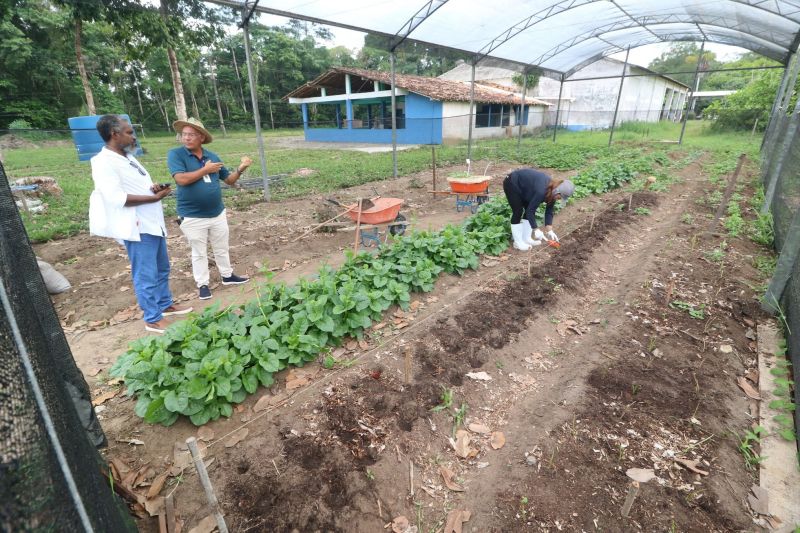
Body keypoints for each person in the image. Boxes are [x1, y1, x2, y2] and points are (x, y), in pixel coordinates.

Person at [89, 114, 192, 333]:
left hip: (152, 222)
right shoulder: (103, 162)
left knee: (162, 268)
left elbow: (135, 185)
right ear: (114, 134)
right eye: (128, 132)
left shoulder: (127, 156)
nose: (133, 136)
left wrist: (152, 188)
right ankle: (153, 318)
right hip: (136, 226)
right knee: (145, 274)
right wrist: (154, 198)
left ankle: (165, 304)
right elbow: (116, 197)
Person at [167, 117, 253, 300]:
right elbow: (180, 179)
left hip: (217, 213)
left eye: (191, 135)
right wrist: (205, 170)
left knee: (221, 247)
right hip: (192, 215)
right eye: (184, 135)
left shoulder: (212, 157)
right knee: (199, 252)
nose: (186, 138)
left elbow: (228, 180)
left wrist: (240, 169)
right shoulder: (176, 155)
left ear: (201, 138)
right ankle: (203, 284)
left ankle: (228, 276)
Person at [503, 168, 574, 251]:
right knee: (518, 211)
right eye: (560, 197)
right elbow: (531, 211)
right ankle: (518, 243)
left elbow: (549, 211)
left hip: (526, 188)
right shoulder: (542, 191)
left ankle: (526, 238)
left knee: (529, 207)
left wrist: (549, 230)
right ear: (557, 191)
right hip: (512, 183)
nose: (559, 199)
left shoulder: (553, 191)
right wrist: (536, 229)